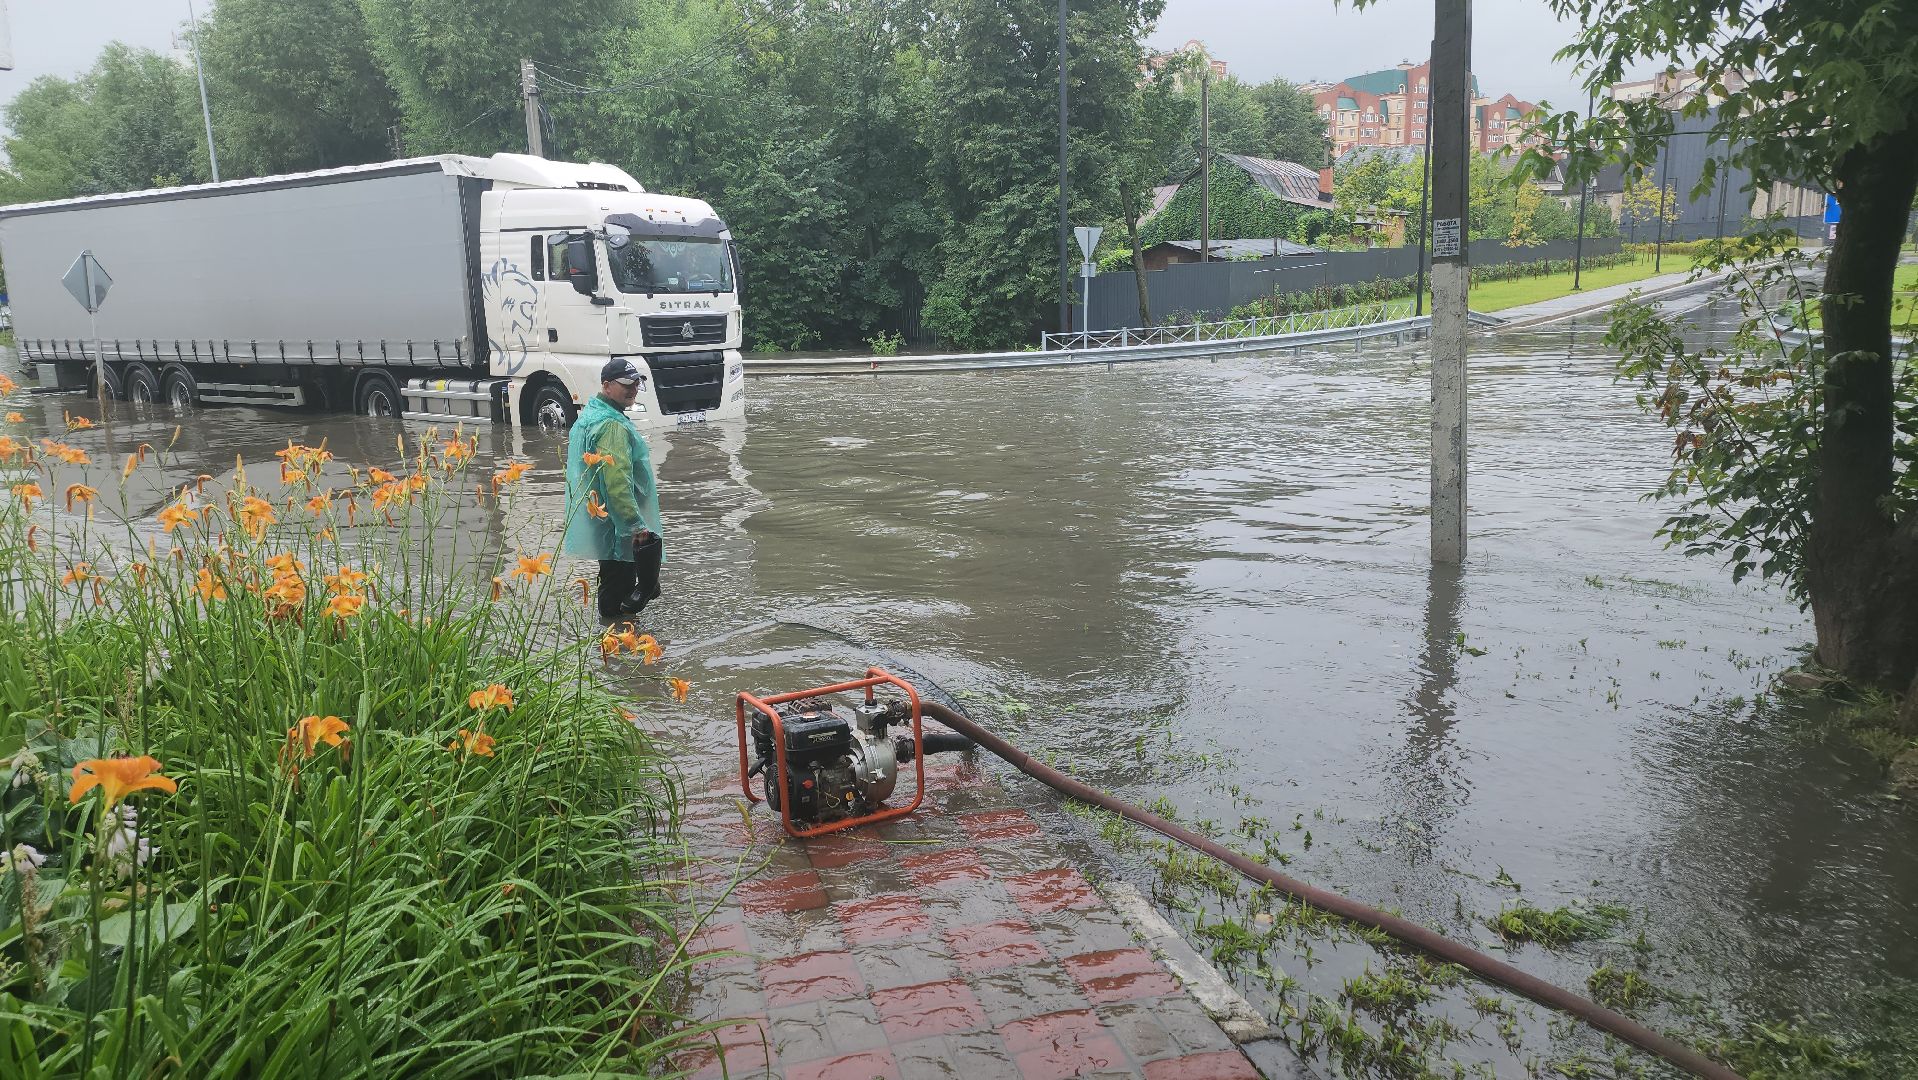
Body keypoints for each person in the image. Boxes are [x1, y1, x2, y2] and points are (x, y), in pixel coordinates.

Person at [564, 358, 663, 621]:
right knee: (619, 593)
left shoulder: (590, 415)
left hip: (600, 517)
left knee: (609, 577)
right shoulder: (612, 425)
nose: (633, 390)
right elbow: (617, 481)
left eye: (637, 384)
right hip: (618, 523)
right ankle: (617, 649)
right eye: (626, 385)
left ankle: (611, 644)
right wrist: (635, 525)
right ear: (607, 386)